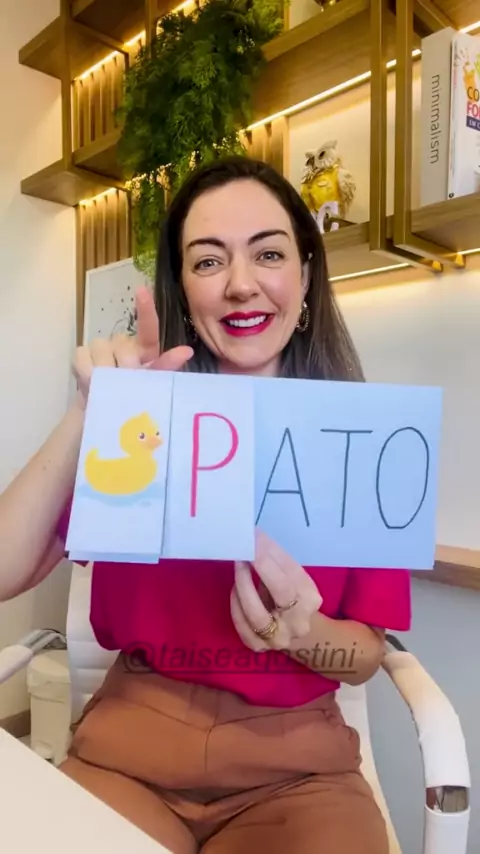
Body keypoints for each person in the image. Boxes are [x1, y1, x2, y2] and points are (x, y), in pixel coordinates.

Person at [0, 156, 411, 853]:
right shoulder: (140, 427)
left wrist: (301, 633)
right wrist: (89, 412)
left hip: (298, 773)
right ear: (185, 290)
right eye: (209, 260)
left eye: (269, 254)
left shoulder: (362, 444)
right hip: (130, 753)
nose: (241, 283)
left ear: (306, 276)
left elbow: (366, 655)